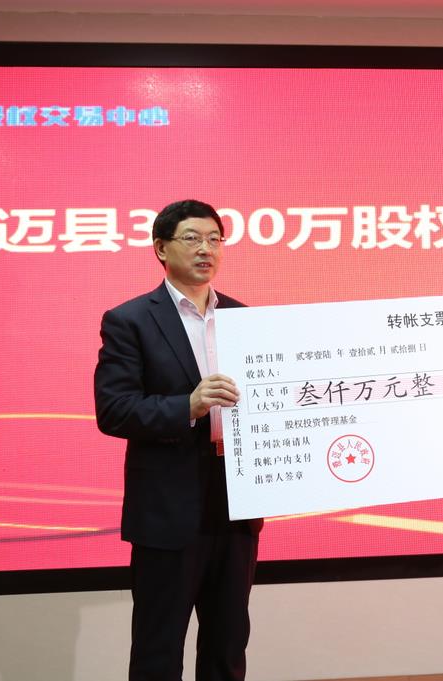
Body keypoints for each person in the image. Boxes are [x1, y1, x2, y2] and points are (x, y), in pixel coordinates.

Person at [94, 199, 262, 681]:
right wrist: (187, 406)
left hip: (235, 505)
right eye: (192, 238)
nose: (206, 249)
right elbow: (114, 410)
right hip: (168, 510)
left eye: (214, 239)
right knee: (159, 649)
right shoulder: (130, 321)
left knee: (228, 644)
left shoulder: (245, 320)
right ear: (161, 248)